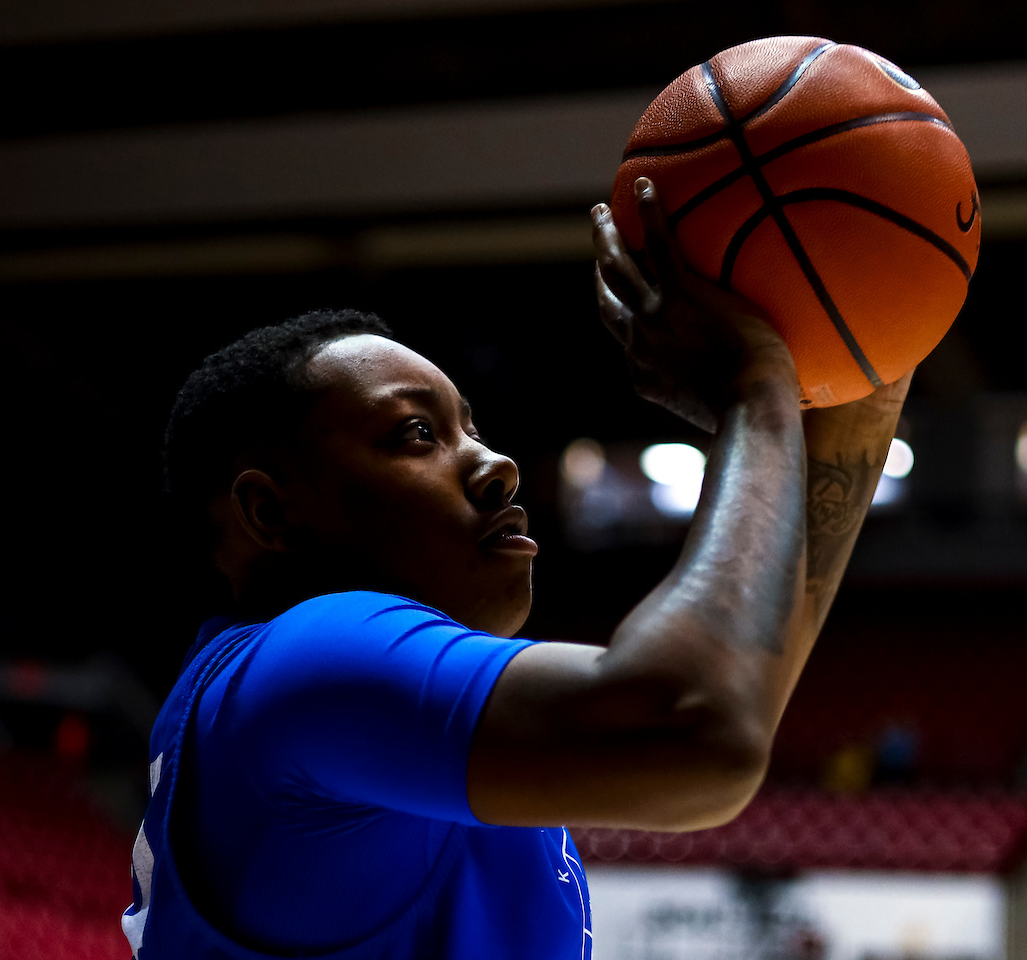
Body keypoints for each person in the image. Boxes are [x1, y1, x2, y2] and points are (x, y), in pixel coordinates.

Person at [122, 178, 910, 960]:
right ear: (271, 514)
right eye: (415, 435)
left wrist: (873, 355)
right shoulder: (308, 659)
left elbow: (748, 669)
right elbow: (703, 730)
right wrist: (753, 389)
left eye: (472, 427)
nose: (496, 463)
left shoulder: (321, 711)